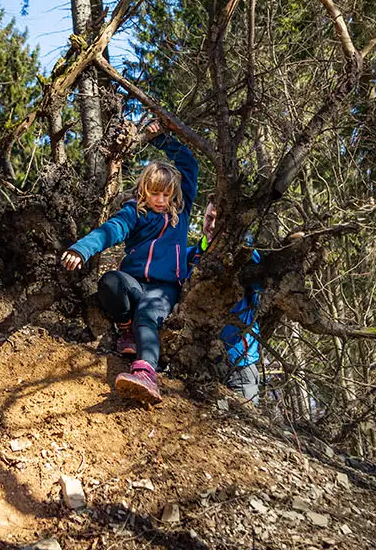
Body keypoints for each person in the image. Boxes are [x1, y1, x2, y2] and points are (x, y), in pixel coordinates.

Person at [61, 122, 197, 405]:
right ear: (144, 191)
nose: (160, 200)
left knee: (147, 316)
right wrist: (81, 249)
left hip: (164, 288)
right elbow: (109, 230)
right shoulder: (135, 213)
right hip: (134, 284)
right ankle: (126, 329)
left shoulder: (181, 212)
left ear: (174, 194)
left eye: (166, 195)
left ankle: (146, 373)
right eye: (154, 194)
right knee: (110, 282)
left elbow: (189, 163)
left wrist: (162, 137)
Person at [191, 202, 266, 403]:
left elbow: (263, 281)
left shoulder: (247, 257)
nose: (213, 225)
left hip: (239, 363)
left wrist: (244, 243)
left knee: (243, 427)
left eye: (219, 220)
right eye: (209, 218)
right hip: (198, 361)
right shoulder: (192, 255)